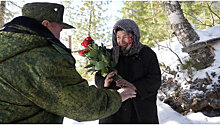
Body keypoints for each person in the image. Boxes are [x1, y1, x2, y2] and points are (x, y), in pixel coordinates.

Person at [0, 2, 136, 123]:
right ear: (46, 24)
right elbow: (81, 104)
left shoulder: (7, 43)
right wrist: (117, 96)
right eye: (59, 30)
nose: (59, 36)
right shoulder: (45, 56)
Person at [95, 19, 162, 124]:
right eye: (118, 37)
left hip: (140, 112)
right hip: (114, 112)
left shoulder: (146, 54)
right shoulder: (109, 55)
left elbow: (155, 80)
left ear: (133, 36)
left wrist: (135, 86)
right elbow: (98, 77)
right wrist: (105, 82)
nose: (121, 41)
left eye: (125, 36)